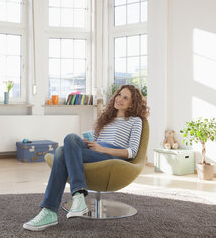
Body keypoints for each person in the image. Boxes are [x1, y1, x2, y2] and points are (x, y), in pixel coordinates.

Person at [23, 84, 150, 231]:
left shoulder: (136, 121)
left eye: (125, 98)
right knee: (70, 139)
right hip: (96, 150)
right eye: (119, 95)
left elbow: (132, 152)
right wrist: (86, 143)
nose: (119, 99)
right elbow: (94, 141)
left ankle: (50, 211)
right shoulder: (106, 118)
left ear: (132, 104)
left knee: (61, 153)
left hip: (112, 155)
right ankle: (77, 198)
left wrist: (103, 149)